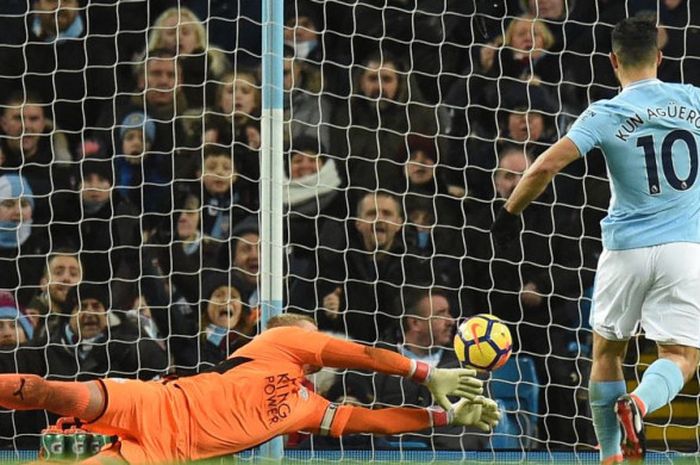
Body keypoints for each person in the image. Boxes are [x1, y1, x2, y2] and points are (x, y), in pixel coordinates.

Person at [490, 15, 700, 464]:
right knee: (681, 355)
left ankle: (609, 455)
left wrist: (510, 213)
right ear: (661, 58)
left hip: (624, 249)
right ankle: (640, 404)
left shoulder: (604, 113)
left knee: (606, 353)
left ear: (612, 61)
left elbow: (544, 166)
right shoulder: (694, 100)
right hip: (685, 249)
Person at [0, 314, 500, 464]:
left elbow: (375, 420)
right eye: (308, 330)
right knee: (43, 390)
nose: (315, 337)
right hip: (153, 402)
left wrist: (446, 417)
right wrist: (422, 372)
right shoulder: (276, 343)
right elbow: (361, 355)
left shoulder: (310, 406)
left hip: (167, 451)